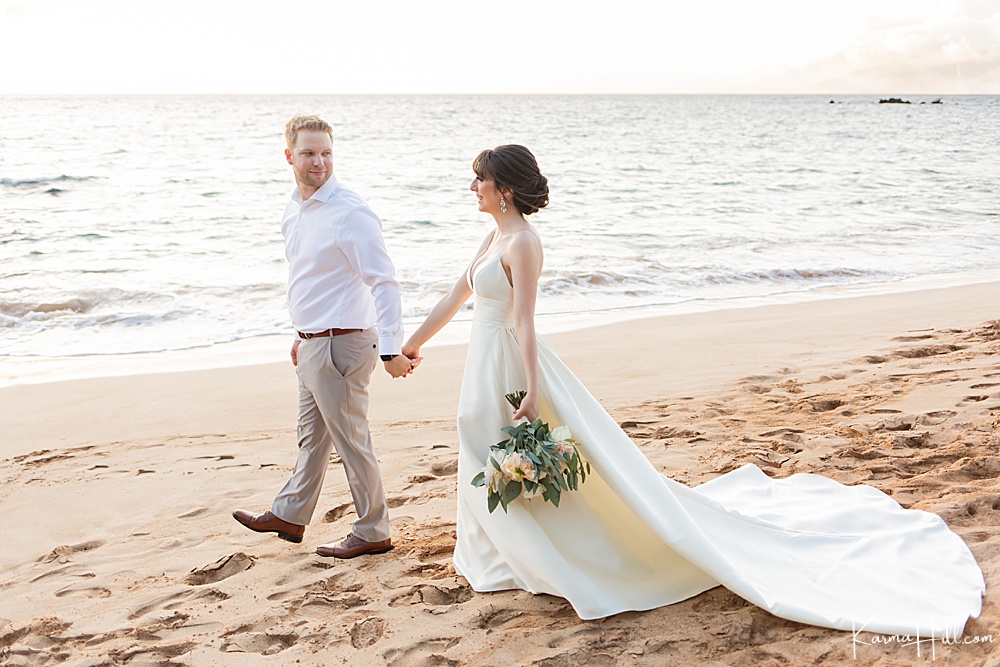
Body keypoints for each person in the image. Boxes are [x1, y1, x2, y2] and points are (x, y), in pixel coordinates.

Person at [402, 145, 984, 635]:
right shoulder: (491, 236)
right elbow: (457, 296)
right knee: (477, 444)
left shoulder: (522, 243)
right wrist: (412, 346)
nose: (471, 185)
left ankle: (530, 556)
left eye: (479, 178)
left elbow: (525, 321)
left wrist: (531, 386)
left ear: (504, 187)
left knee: (497, 450)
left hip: (509, 362)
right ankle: (492, 554)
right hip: (482, 360)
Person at [233, 114, 417, 559]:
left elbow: (384, 282)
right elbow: (308, 278)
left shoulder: (348, 212)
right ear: (289, 156)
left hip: (344, 344)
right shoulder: (293, 209)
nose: (319, 162)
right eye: (310, 153)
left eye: (327, 153)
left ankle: (373, 531)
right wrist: (303, 334)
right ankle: (290, 515)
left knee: (352, 440)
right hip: (315, 344)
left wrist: (392, 348)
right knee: (312, 437)